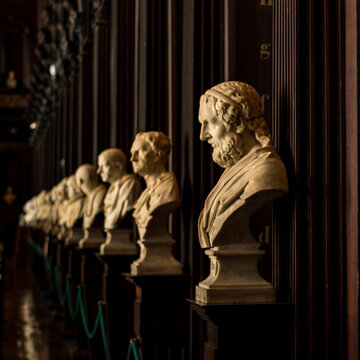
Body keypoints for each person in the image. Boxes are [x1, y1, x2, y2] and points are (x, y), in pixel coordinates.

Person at [198, 81, 289, 249]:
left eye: (210, 123)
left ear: (239, 122)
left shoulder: (266, 169)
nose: (203, 135)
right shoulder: (234, 170)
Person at [130, 131, 180, 239]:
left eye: (139, 152)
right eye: (132, 153)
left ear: (157, 154)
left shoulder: (167, 187)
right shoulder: (147, 191)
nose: (132, 158)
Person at [97, 148, 141, 230]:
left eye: (103, 166)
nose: (99, 171)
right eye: (99, 167)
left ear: (118, 166)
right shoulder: (111, 189)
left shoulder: (130, 185)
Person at [75, 164, 106, 229]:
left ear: (93, 177)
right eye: (78, 180)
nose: (80, 184)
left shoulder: (101, 193)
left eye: (82, 179)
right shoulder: (87, 198)